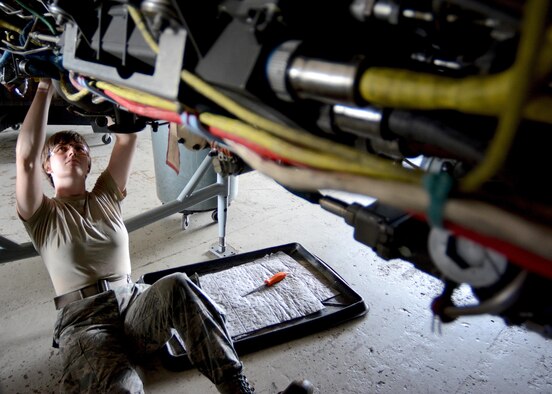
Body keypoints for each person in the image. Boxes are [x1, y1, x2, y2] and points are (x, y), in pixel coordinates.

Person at [15, 78, 313, 394]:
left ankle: (239, 391)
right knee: (124, 389)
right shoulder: (41, 213)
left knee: (178, 285)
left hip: (132, 303)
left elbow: (127, 139)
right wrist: (45, 87)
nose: (71, 151)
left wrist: (122, 83)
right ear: (47, 166)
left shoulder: (105, 195)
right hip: (85, 321)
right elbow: (26, 158)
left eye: (79, 148)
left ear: (90, 162)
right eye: (61, 149)